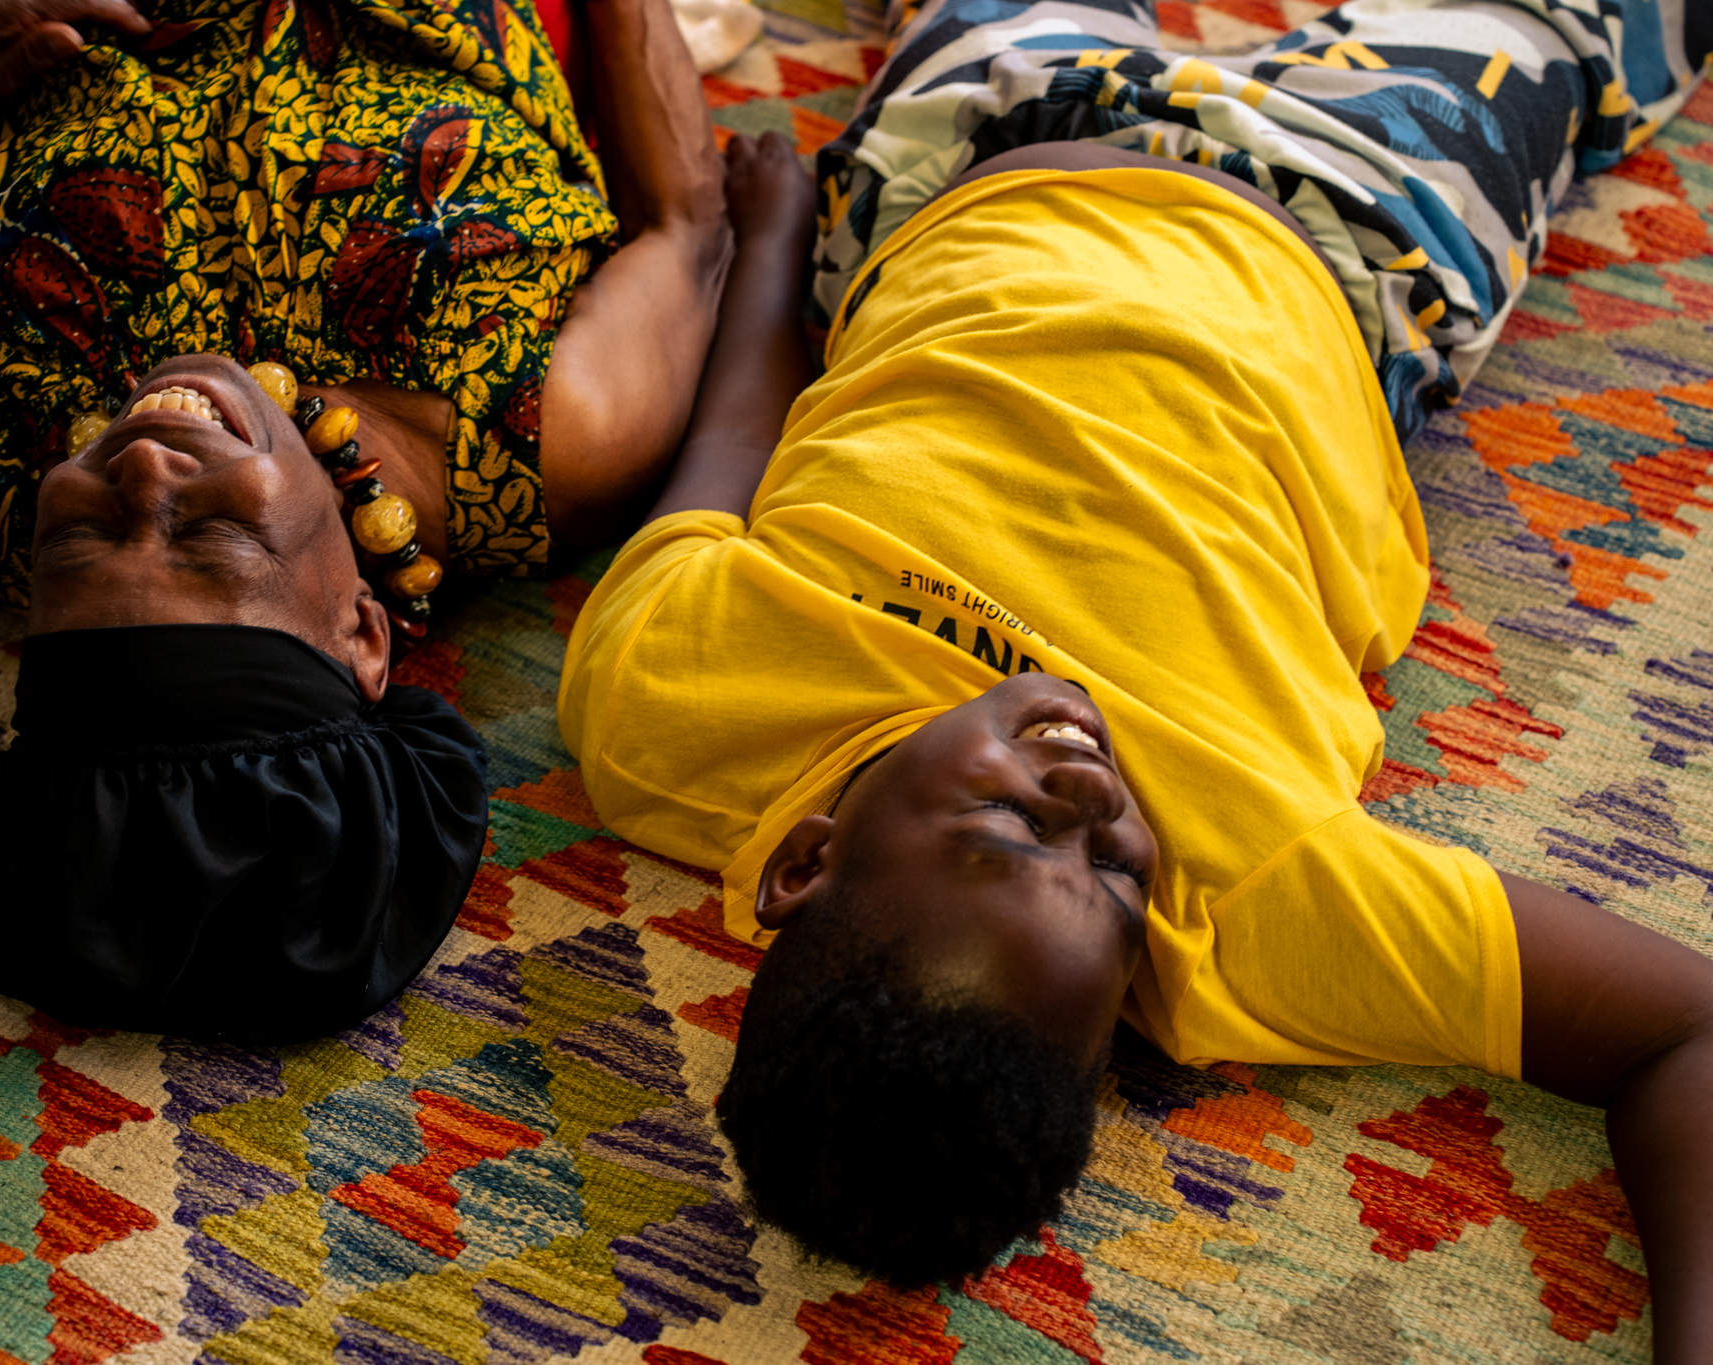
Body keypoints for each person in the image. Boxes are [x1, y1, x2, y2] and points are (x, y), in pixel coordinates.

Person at [560, 1, 1713, 1355]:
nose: (1090, 793)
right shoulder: (1252, 899)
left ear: (806, 858)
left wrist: (766, 244)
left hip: (968, 156)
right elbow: (1678, 1031)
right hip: (1352, 214)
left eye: (1007, 824)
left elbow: (736, 433)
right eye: (1118, 878)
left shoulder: (663, 702)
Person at [0, 0, 719, 1042]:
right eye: (211, 538)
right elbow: (687, 227)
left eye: (80, 544)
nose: (146, 477)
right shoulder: (550, 441)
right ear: (361, 632)